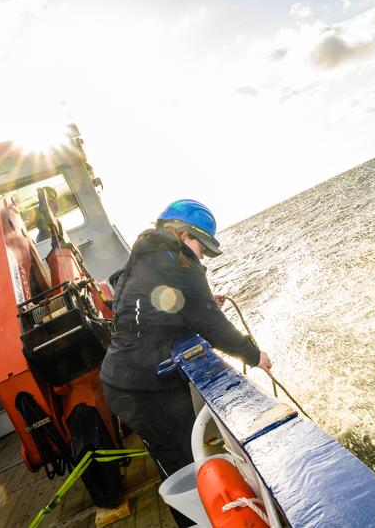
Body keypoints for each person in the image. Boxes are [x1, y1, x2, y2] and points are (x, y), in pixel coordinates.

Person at [99, 199, 272, 527]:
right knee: (180, 467)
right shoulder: (180, 264)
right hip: (141, 389)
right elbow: (214, 326)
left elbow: (148, 300)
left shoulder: (146, 253)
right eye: (201, 245)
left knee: (182, 454)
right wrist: (255, 356)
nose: (202, 254)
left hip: (127, 378)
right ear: (181, 234)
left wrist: (199, 301)